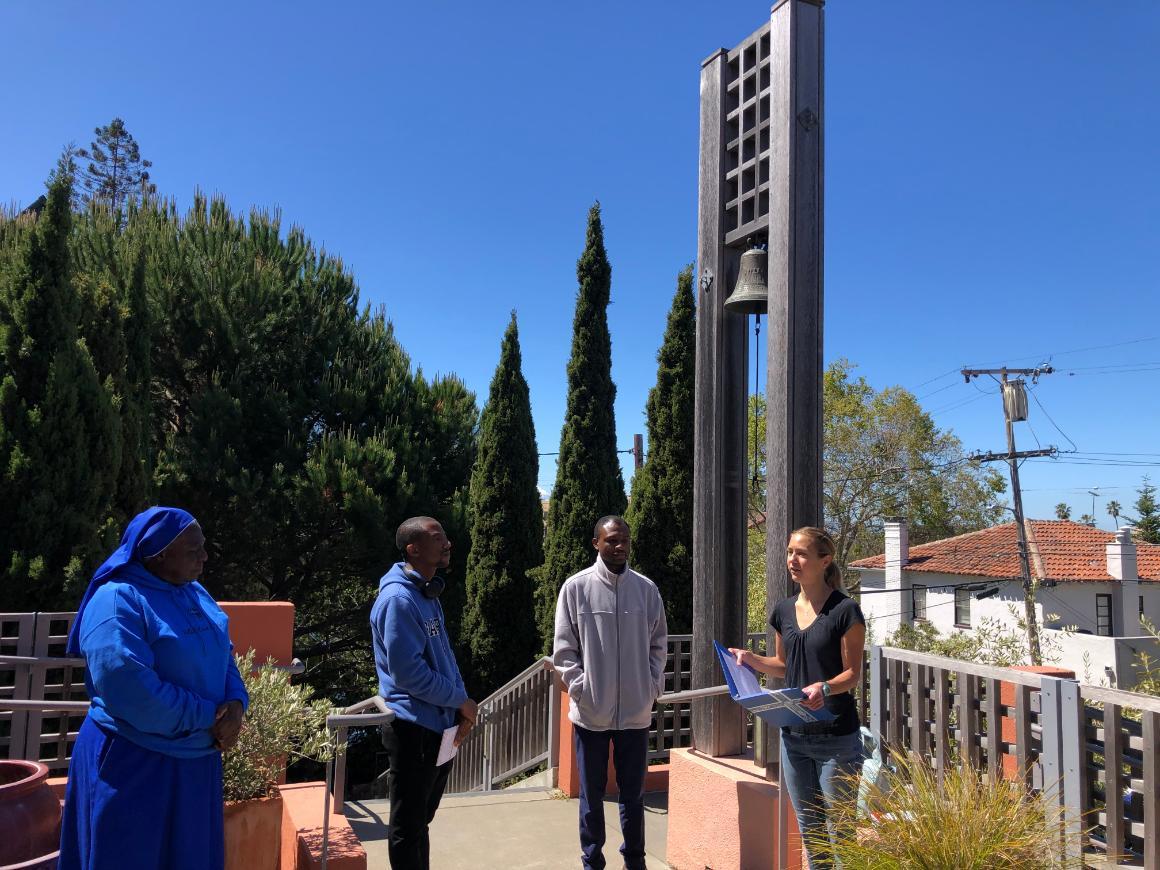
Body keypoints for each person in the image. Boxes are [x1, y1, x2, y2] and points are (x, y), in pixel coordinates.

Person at [58, 507, 248, 870]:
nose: (205, 557)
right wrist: (209, 716)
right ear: (160, 554)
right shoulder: (116, 601)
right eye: (194, 550)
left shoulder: (194, 593)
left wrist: (237, 703)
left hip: (195, 765)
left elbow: (223, 652)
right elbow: (130, 689)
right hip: (135, 763)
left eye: (204, 547)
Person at [730, 526, 866, 869]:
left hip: (837, 741)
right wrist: (750, 659)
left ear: (825, 560)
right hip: (794, 739)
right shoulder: (783, 611)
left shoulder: (846, 611)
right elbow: (783, 665)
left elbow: (853, 674)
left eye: (802, 553)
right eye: (790, 551)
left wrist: (825, 687)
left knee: (841, 836)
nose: (793, 559)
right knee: (811, 833)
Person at [552, 515, 668, 870]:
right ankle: (592, 861)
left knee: (633, 795)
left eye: (625, 541)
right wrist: (581, 688)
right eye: (612, 541)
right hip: (591, 714)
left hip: (635, 713)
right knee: (591, 795)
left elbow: (658, 644)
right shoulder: (576, 587)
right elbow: (563, 649)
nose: (619, 547)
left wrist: (650, 686)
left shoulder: (646, 589)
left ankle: (635, 861)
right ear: (596, 543)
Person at [371, 516, 477, 870]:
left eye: (445, 536)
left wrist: (460, 708)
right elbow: (409, 674)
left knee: (421, 821)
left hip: (440, 725)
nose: (447, 543)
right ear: (413, 548)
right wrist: (460, 700)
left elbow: (443, 656)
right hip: (414, 730)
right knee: (407, 827)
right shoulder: (399, 599)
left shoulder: (426, 593)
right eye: (437, 538)